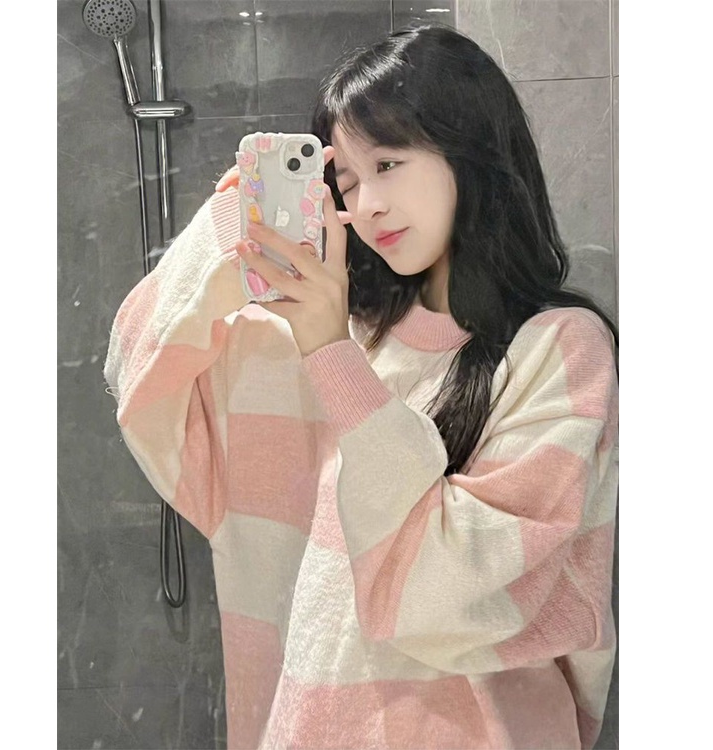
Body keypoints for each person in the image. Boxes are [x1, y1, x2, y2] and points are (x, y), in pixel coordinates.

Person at [104, 23, 618, 750]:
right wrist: (233, 228)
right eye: (344, 181)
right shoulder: (333, 334)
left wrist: (331, 355)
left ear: (472, 152)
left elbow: (454, 593)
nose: (367, 203)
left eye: (388, 163)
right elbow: (139, 364)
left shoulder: (559, 349)